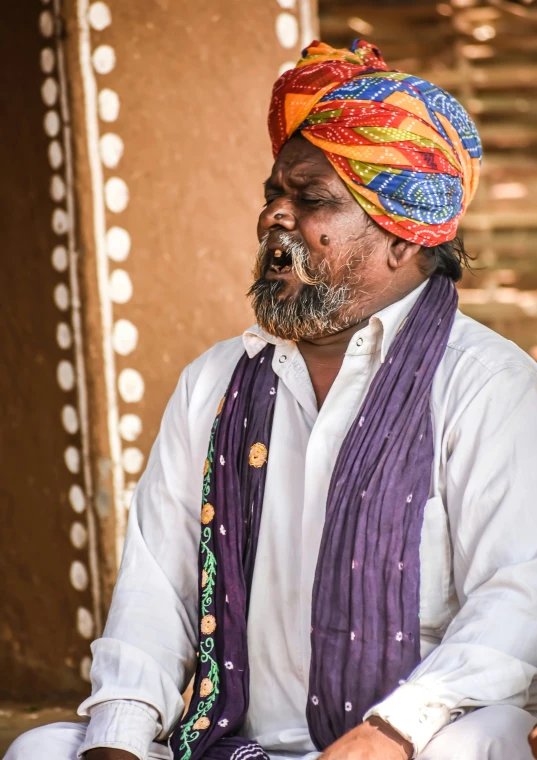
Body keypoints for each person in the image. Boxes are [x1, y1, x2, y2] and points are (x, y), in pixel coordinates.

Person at [7, 39, 537, 760]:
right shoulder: (215, 382)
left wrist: (393, 731)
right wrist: (121, 741)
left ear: (402, 237)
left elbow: (517, 600)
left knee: (480, 742)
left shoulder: (486, 383)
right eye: (273, 196)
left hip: (409, 742)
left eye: (310, 200)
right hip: (242, 747)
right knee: (43, 751)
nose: (274, 220)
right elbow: (153, 596)